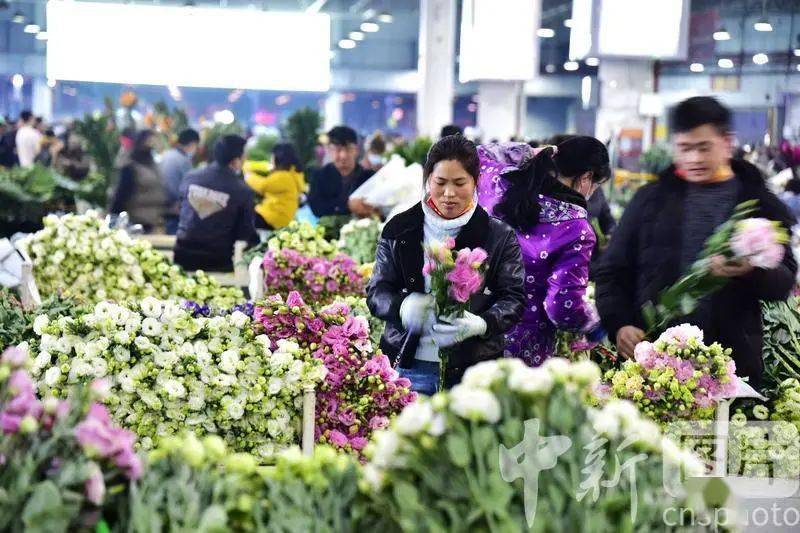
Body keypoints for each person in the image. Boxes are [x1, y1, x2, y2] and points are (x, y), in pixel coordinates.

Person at [595, 96, 797, 389]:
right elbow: (612, 271)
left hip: (732, 366)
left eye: (704, 148)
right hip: (655, 362)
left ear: (727, 142)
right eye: (684, 148)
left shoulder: (757, 204)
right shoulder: (651, 200)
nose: (693, 159)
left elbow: (784, 282)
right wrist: (620, 323)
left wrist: (751, 270)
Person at [367, 135, 526, 394]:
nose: (449, 193)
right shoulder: (400, 228)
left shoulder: (498, 235)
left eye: (460, 183)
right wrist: (402, 307)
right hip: (408, 370)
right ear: (428, 180)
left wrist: (481, 323)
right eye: (440, 182)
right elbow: (377, 292)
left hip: (473, 374)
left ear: (476, 182)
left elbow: (514, 298)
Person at [477, 136, 610, 366]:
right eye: (596, 187)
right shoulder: (576, 229)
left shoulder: (500, 183)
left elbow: (478, 153)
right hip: (523, 350)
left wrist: (532, 152)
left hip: (474, 327)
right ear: (586, 177)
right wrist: (595, 325)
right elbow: (561, 307)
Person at [174, 135, 259, 272]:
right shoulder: (242, 191)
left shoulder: (191, 176)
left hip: (182, 255)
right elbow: (245, 233)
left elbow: (181, 208)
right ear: (236, 160)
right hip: (216, 261)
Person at [308, 126, 375, 218]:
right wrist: (348, 205)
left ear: (356, 150)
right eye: (337, 149)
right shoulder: (319, 176)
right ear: (329, 150)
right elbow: (317, 208)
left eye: (348, 149)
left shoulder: (369, 177)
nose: (343, 155)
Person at [109, 130, 166, 232]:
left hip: (153, 220)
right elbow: (120, 195)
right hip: (135, 220)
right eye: (149, 142)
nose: (152, 145)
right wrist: (113, 220)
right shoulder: (130, 167)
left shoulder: (152, 165)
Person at [245, 142, 306, 231]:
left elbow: (262, 186)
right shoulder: (294, 173)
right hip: (283, 215)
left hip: (274, 217)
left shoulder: (282, 176)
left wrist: (248, 177)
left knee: (243, 215)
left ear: (278, 157)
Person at [160, 128, 200, 234]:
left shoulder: (167, 155)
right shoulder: (183, 161)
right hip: (175, 210)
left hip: (161, 207)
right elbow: (189, 187)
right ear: (192, 144)